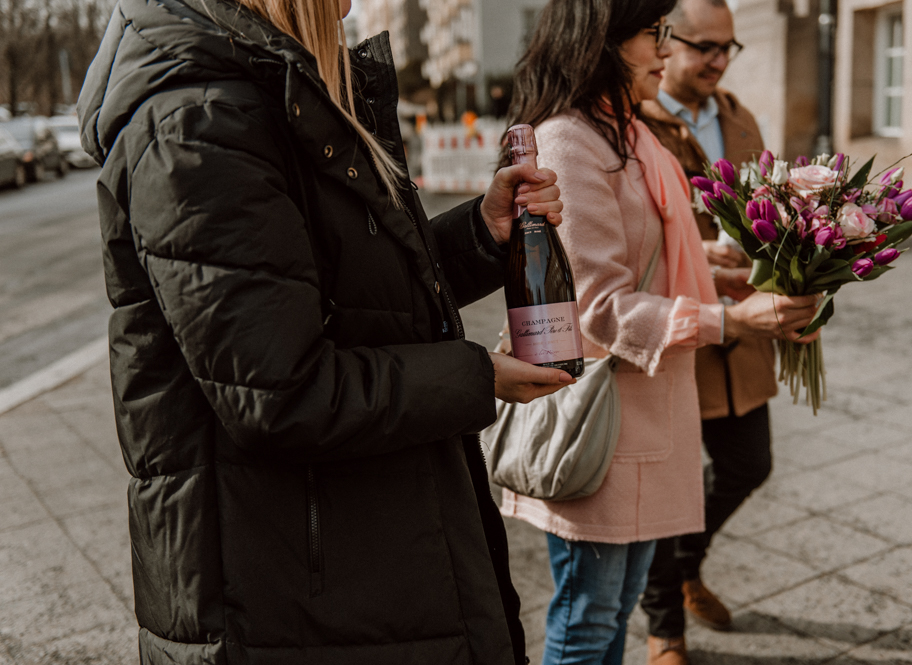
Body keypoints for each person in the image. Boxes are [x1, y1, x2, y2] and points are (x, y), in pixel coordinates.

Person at [75, 0, 572, 661]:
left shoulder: (268, 87)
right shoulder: (195, 121)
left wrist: (483, 231)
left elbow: (357, 297)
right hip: (289, 592)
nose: (351, 3)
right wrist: (477, 376)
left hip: (350, 561)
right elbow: (281, 390)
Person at [500, 1, 819, 663]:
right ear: (603, 42)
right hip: (604, 424)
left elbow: (657, 249)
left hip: (651, 418)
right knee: (588, 623)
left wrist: (722, 273)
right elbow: (599, 307)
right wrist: (730, 318)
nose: (666, 53)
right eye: (655, 36)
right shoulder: (570, 139)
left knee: (616, 612)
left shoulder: (628, 132)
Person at [637, 1, 780, 660]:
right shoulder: (634, 120)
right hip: (670, 330)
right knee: (668, 485)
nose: (720, 60)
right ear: (665, 42)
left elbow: (769, 213)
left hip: (741, 328)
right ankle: (665, 628)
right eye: (706, 47)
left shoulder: (737, 115)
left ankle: (685, 564)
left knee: (750, 462)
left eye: (730, 49)